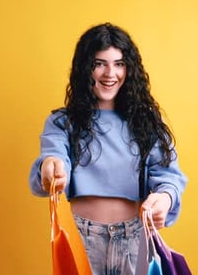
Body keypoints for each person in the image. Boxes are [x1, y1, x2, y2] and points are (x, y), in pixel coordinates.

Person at [29, 22, 187, 275]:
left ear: (129, 69)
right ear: (85, 69)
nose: (109, 73)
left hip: (135, 239)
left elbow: (169, 175)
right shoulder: (63, 122)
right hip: (82, 238)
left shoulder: (146, 123)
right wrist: (51, 167)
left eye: (119, 63)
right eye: (99, 63)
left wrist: (165, 198)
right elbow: (54, 157)